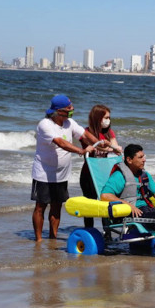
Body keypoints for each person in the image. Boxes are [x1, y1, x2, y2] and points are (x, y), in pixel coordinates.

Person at [31, 94, 98, 242]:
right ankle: (38, 240)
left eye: (71, 106)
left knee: (57, 207)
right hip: (44, 173)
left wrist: (99, 143)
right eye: (69, 108)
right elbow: (61, 143)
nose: (72, 109)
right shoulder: (45, 124)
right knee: (40, 207)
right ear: (58, 110)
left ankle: (53, 237)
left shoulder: (70, 122)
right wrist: (81, 151)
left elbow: (85, 134)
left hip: (62, 174)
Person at [79, 104, 122, 230]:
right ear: (98, 118)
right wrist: (109, 147)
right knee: (90, 204)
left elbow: (117, 149)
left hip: (104, 174)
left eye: (109, 117)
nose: (108, 120)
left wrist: (113, 147)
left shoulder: (109, 133)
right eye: (106, 117)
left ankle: (107, 232)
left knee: (105, 202)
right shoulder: (86, 133)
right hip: (89, 175)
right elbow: (95, 145)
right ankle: (89, 231)